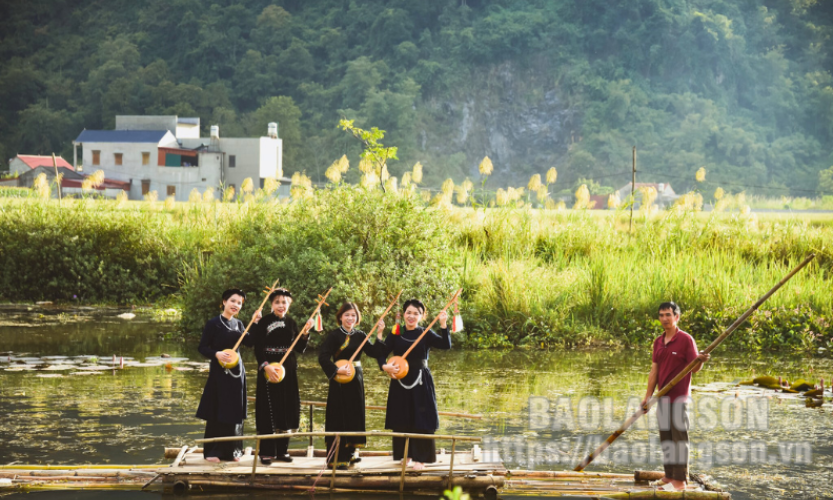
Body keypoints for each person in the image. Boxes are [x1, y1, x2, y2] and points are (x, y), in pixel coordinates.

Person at [641, 302, 709, 491]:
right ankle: (669, 475)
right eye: (661, 315)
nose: (664, 319)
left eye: (668, 315)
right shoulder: (658, 342)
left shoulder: (686, 340)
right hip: (662, 397)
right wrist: (648, 397)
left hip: (679, 398)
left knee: (679, 439)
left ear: (677, 317)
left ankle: (680, 480)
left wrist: (701, 361)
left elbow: (694, 368)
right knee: (666, 438)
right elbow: (654, 370)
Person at [378, 299, 451, 470]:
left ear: (422, 316)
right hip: (400, 379)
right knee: (402, 417)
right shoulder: (396, 332)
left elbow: (446, 345)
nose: (411, 316)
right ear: (403, 314)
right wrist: (384, 366)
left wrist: (443, 324)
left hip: (420, 379)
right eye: (408, 312)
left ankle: (421, 459)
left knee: (422, 418)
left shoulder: (425, 333)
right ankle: (406, 455)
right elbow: (381, 353)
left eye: (416, 313)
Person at [318, 302, 386, 469]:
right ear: (340, 316)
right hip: (339, 380)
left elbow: (374, 353)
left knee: (355, 414)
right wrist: (336, 370)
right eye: (347, 315)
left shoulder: (361, 335)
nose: (350, 318)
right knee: (338, 415)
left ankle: (351, 453)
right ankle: (336, 458)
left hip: (356, 379)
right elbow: (323, 357)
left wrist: (379, 334)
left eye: (353, 315)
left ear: (357, 318)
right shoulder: (334, 336)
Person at [251, 288, 313, 465]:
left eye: (284, 302)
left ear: (289, 305)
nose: (281, 305)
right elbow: (257, 347)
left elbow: (300, 349)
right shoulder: (264, 322)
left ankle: (282, 451)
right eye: (277, 302)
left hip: (288, 371)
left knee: (286, 409)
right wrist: (266, 367)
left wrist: (306, 333)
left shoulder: (292, 323)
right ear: (271, 304)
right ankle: (266, 452)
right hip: (268, 371)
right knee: (268, 410)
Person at [195, 288, 257, 463]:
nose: (236, 305)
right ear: (224, 302)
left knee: (234, 410)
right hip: (219, 373)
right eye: (233, 301)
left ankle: (234, 451)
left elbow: (250, 343)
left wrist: (255, 323)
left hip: (237, 373)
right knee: (217, 409)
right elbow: (202, 347)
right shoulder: (213, 323)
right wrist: (216, 354)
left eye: (239, 303)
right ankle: (212, 452)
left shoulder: (239, 324)